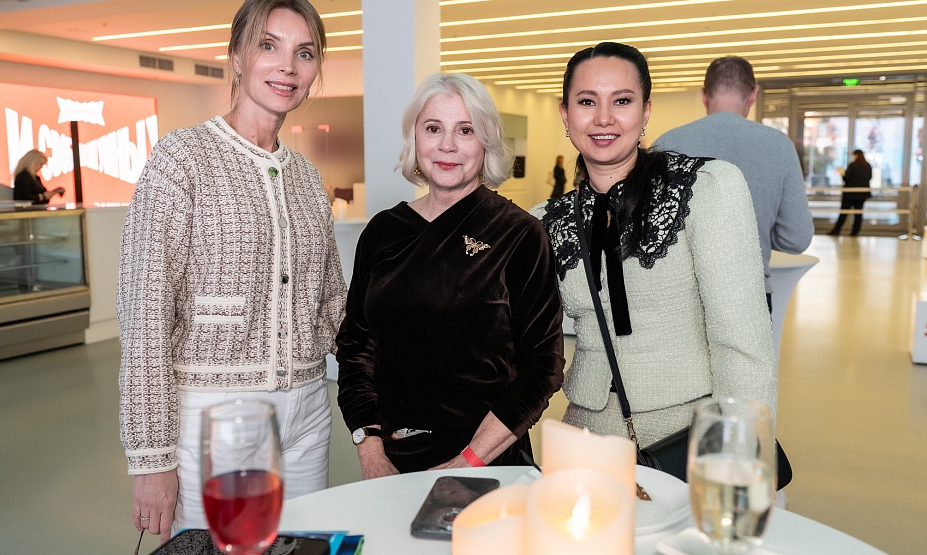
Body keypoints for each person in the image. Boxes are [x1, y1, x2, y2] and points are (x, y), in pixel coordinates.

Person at [118, 0, 347, 543]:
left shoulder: (305, 177)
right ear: (237, 57)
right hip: (217, 417)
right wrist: (151, 457)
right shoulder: (182, 159)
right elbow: (145, 314)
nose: (287, 66)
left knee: (300, 547)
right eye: (269, 45)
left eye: (304, 52)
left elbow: (331, 302)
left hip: (307, 412)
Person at [530, 42, 775, 447]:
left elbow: (742, 346)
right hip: (583, 434)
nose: (603, 118)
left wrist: (739, 454)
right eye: (587, 101)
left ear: (645, 112)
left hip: (685, 432)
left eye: (622, 101)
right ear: (565, 114)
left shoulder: (706, 188)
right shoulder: (545, 220)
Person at [336, 72, 565, 479]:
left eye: (465, 130)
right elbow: (356, 348)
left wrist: (467, 463)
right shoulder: (383, 232)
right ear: (415, 138)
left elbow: (542, 367)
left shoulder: (519, 234)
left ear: (486, 141)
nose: (447, 145)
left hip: (487, 462)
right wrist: (370, 451)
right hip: (390, 463)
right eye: (433, 128)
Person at [654, 56, 814, 312]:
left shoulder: (667, 144)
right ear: (753, 95)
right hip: (750, 295)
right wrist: (759, 230)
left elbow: (651, 230)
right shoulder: (779, 146)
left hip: (681, 299)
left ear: (704, 95)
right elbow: (797, 238)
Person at [828, 149, 873, 236]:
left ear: (856, 155)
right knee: (858, 214)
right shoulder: (867, 166)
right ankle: (855, 232)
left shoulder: (853, 165)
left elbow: (847, 178)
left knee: (844, 213)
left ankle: (836, 230)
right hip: (862, 194)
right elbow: (870, 177)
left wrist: (842, 174)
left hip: (850, 194)